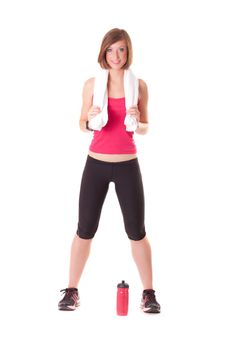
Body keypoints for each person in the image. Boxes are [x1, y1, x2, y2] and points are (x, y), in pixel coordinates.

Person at [58, 28, 161, 313]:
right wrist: (90, 119)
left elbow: (145, 129)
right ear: (104, 53)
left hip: (127, 165)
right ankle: (71, 291)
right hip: (96, 164)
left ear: (128, 52)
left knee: (136, 231)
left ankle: (149, 294)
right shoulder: (92, 84)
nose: (116, 56)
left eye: (122, 50)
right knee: (84, 230)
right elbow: (81, 123)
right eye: (111, 50)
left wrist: (138, 121)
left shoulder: (139, 86)